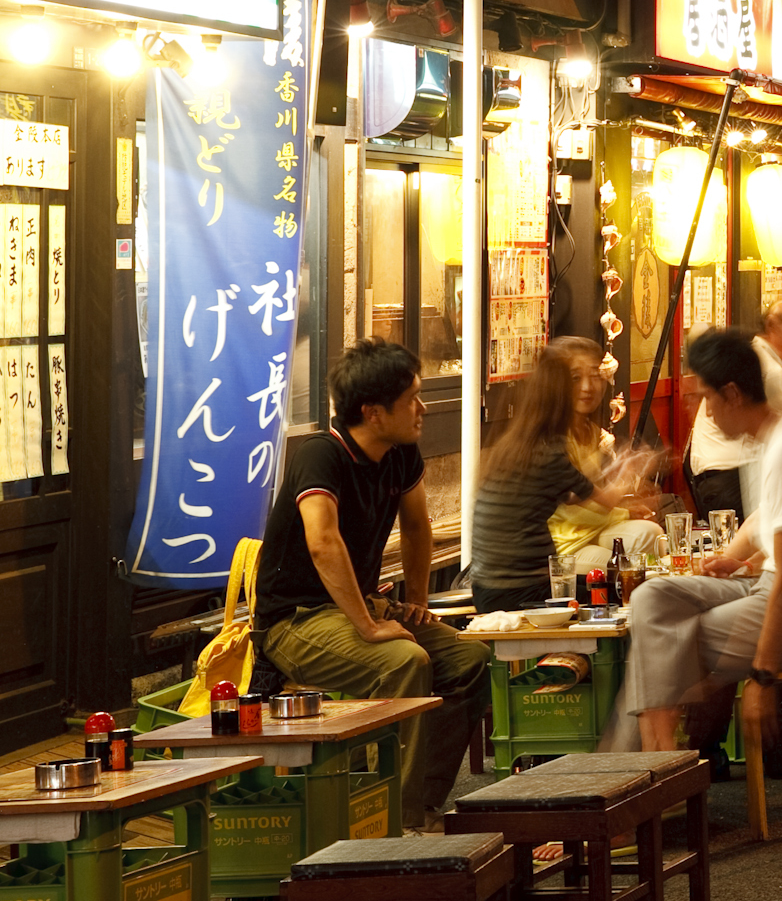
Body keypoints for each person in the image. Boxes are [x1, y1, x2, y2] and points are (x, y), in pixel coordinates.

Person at [254, 339, 489, 829]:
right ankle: (392, 822)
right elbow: (322, 542)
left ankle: (423, 799)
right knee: (404, 661)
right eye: (413, 400)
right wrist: (366, 625)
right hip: (295, 620)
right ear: (374, 412)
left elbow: (420, 526)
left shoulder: (400, 452)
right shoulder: (321, 455)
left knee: (470, 658)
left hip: (360, 606)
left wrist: (419, 602)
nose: (423, 410)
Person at [612, 328, 782, 754]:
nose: (704, 414)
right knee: (652, 599)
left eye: (705, 399)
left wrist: (762, 676)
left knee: (666, 642)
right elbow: (765, 523)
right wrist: (730, 559)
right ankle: (658, 764)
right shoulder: (776, 435)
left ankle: (649, 767)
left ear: (732, 394)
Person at [471, 338, 646, 615]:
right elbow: (605, 499)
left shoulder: (523, 441)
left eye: (594, 376)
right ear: (558, 391)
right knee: (627, 588)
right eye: (575, 380)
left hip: (493, 587)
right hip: (518, 591)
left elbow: (573, 495)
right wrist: (631, 467)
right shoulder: (549, 450)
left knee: (623, 580)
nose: (587, 388)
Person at [684, 301, 782, 524]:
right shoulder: (765, 366)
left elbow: (780, 544)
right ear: (772, 325)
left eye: (707, 397)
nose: (709, 412)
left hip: (720, 475)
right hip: (725, 476)